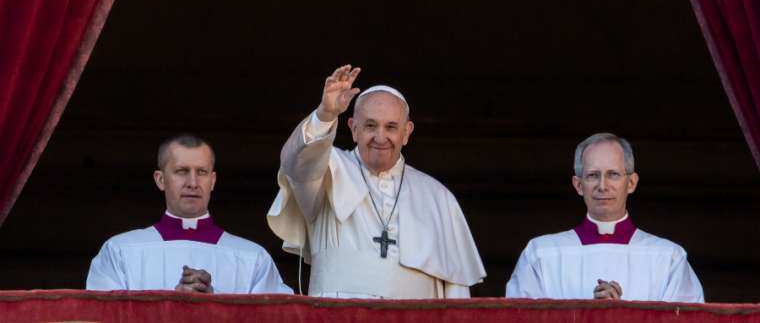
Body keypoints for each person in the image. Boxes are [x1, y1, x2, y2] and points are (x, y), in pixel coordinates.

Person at [267, 65, 485, 298]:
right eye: (370, 125)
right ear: (353, 128)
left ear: (407, 132)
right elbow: (295, 162)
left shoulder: (437, 196)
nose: (380, 137)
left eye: (391, 127)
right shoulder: (327, 169)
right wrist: (325, 114)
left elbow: (457, 292)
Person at [505, 132, 704, 302]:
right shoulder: (541, 254)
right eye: (592, 175)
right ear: (578, 185)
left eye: (613, 174)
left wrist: (622, 316)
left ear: (632, 183)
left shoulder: (668, 258)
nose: (603, 185)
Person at [87, 134, 293, 294]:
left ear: (212, 181)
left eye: (201, 172)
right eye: (181, 171)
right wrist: (171, 303)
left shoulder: (253, 258)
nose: (192, 183)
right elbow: (99, 316)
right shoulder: (119, 252)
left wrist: (216, 305)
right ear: (160, 179)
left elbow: (278, 316)